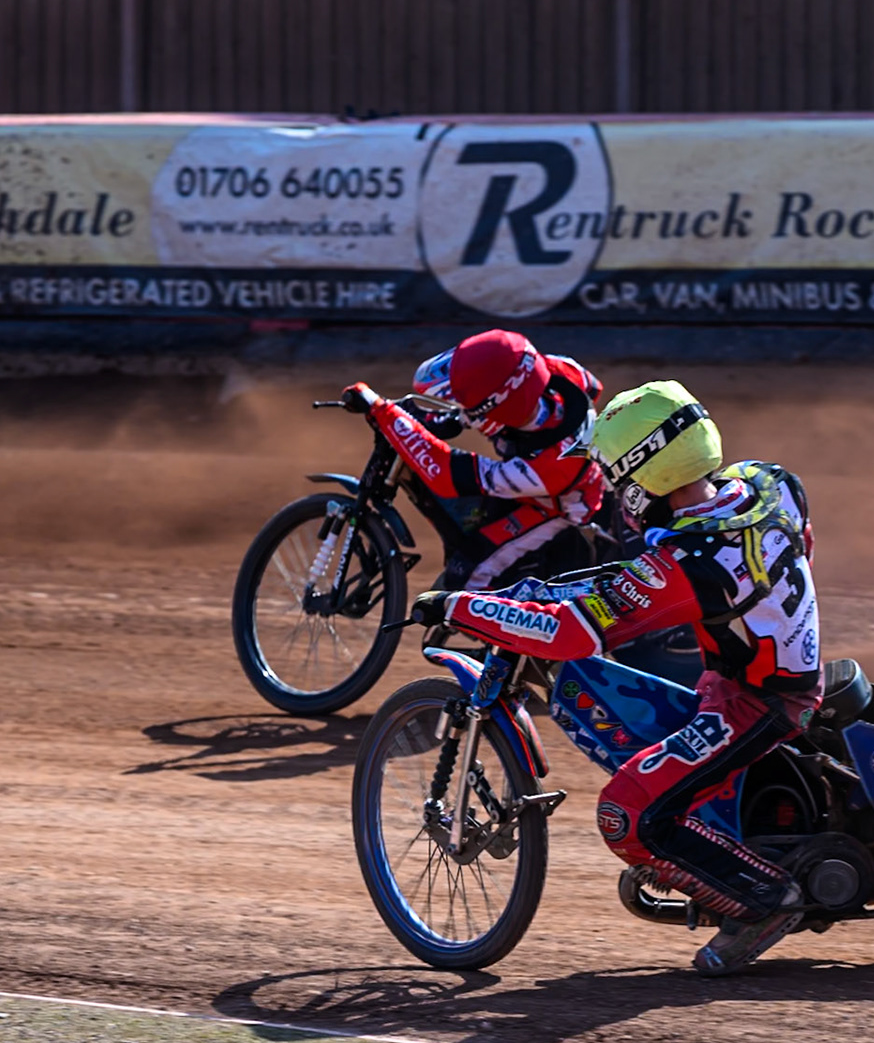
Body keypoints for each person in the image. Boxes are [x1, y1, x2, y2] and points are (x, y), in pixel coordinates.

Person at [408, 380, 822, 976]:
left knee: (625, 816)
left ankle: (765, 902)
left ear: (641, 478)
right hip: (760, 673)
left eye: (614, 477)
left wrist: (458, 607)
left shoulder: (688, 566)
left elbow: (567, 635)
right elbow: (792, 545)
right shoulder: (770, 483)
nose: (612, 493)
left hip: (756, 704)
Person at [340, 329, 608, 589]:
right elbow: (592, 386)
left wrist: (384, 412)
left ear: (498, 408)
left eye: (467, 405)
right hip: (547, 470)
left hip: (557, 507)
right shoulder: (557, 370)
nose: (461, 406)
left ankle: (522, 624)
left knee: (466, 577)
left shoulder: (549, 466)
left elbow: (447, 474)